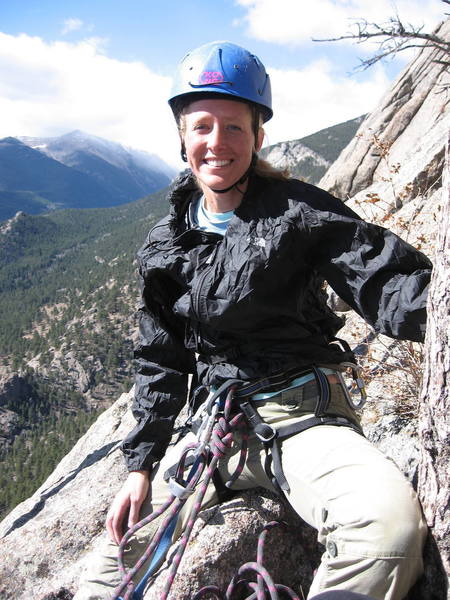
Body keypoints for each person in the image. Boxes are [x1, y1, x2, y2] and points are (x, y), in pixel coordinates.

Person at [74, 41, 430, 600]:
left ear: (258, 136)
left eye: (234, 127)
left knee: (385, 530)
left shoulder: (298, 212)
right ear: (182, 136)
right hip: (213, 434)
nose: (217, 143)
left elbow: (382, 280)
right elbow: (160, 358)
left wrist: (435, 307)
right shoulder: (166, 244)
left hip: (303, 421)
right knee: (103, 575)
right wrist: (141, 468)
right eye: (202, 127)